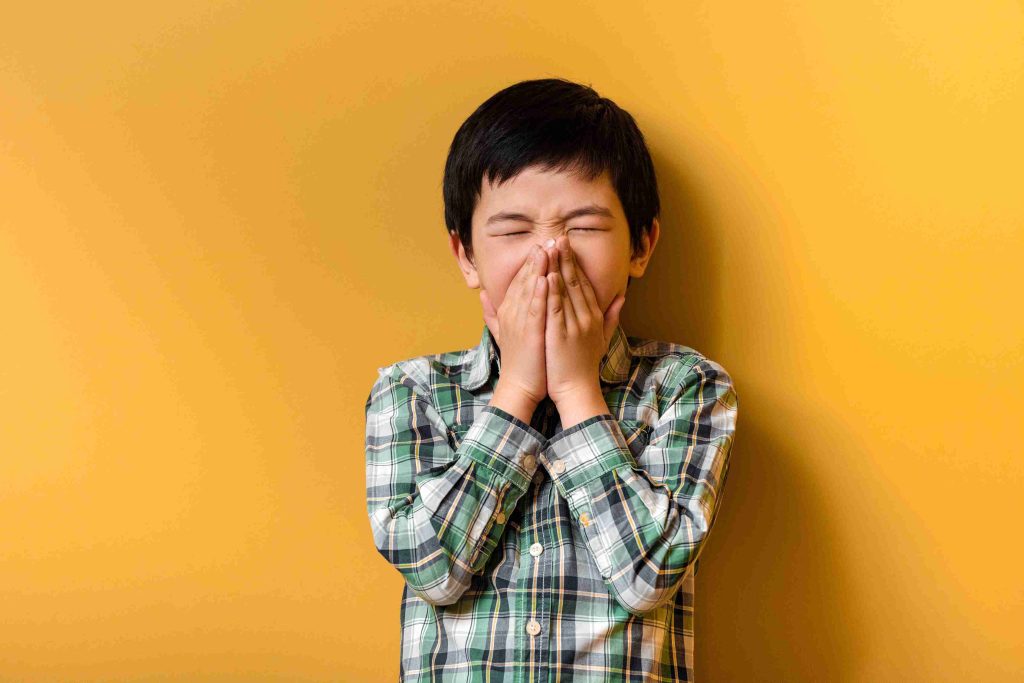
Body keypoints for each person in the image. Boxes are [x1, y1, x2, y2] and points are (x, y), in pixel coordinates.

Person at [365, 77, 739, 682]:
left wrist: (574, 391)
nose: (550, 256)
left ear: (642, 245)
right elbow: (433, 569)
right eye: (514, 231)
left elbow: (649, 578)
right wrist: (517, 389)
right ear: (465, 255)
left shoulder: (687, 387)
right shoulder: (410, 393)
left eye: (584, 227)